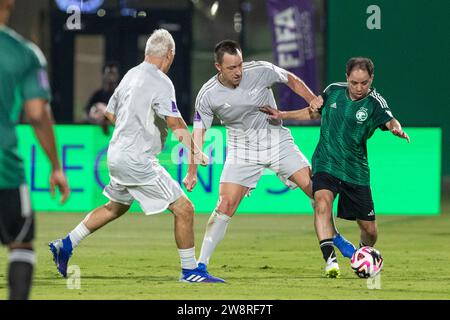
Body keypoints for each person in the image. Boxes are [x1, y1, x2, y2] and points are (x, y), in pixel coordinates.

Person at [49, 29, 224, 283]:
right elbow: (176, 124)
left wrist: (130, 126)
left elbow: (109, 113)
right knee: (185, 209)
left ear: (147, 53)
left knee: (114, 208)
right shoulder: (161, 82)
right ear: (170, 55)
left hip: (116, 155)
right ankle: (190, 271)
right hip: (137, 160)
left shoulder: (131, 75)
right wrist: (196, 151)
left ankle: (65, 244)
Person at [183, 40, 329, 281]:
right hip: (242, 149)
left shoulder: (260, 70)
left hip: (276, 140)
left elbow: (289, 78)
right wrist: (192, 171)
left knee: (318, 192)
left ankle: (335, 245)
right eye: (231, 68)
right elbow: (198, 133)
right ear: (218, 66)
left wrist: (312, 98)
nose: (238, 71)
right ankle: (201, 266)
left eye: (239, 64)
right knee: (224, 205)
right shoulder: (208, 95)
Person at [259, 57, 410, 277]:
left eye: (364, 83)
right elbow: (313, 112)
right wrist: (282, 114)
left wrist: (396, 129)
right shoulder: (333, 92)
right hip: (326, 162)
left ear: (371, 80)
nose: (359, 88)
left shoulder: (375, 102)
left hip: (355, 171)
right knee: (321, 203)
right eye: (354, 82)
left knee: (369, 230)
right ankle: (330, 260)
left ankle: (361, 254)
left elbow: (390, 120)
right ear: (347, 77)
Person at [0, 0, 70, 299]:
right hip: (4, 170)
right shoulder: (24, 54)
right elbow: (37, 114)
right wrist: (55, 166)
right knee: (21, 242)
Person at [84, 61, 120, 135]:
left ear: (117, 75)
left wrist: (110, 121)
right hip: (99, 137)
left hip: (118, 135)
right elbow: (86, 114)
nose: (111, 76)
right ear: (103, 75)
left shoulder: (122, 95)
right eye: (108, 73)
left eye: (113, 73)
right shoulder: (97, 95)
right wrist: (97, 121)